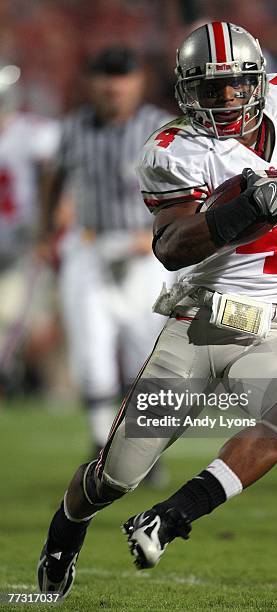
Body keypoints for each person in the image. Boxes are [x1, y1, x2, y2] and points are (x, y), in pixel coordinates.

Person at [38, 22, 277, 598]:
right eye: (208, 88)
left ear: (261, 82)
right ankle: (65, 530)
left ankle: (169, 519)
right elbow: (170, 248)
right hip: (203, 323)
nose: (223, 100)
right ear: (185, 90)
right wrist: (241, 212)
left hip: (269, 323)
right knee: (117, 475)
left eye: (234, 85)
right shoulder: (174, 149)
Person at [39, 45, 174, 461]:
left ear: (138, 81)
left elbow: (191, 189)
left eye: (121, 75)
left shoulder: (160, 127)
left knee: (147, 358)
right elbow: (54, 178)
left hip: (145, 250)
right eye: (104, 75)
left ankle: (143, 451)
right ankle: (102, 444)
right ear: (90, 82)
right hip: (91, 245)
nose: (112, 86)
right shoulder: (75, 127)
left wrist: (160, 232)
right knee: (91, 353)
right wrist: (46, 231)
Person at [0, 62, 60, 395]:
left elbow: (63, 160)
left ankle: (23, 379)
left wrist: (50, 219)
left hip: (21, 241)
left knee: (19, 318)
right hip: (14, 239)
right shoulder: (32, 132)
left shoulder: (31, 132)